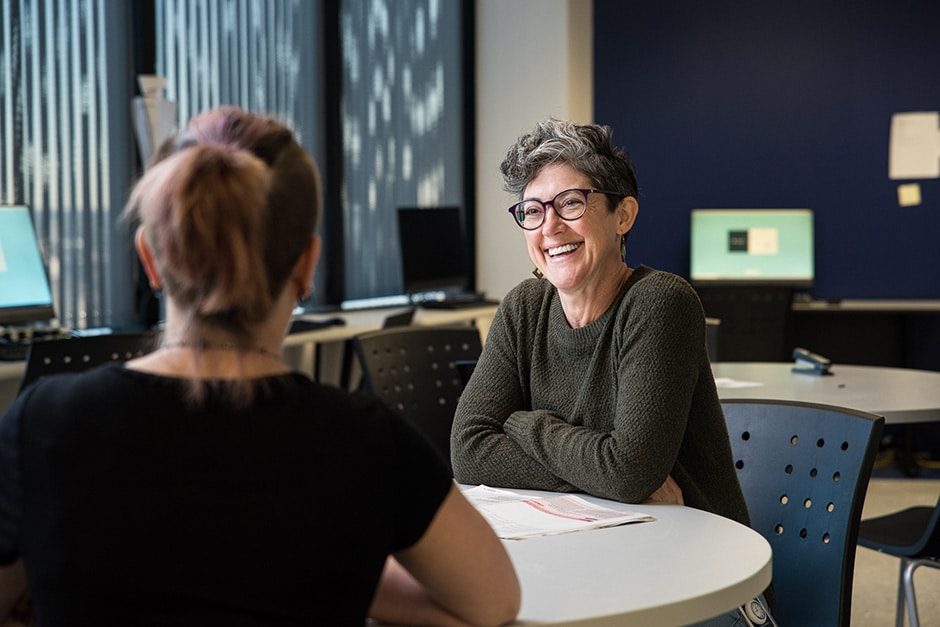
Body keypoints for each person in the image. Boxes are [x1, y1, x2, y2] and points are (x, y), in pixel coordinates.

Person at [0, 106, 519, 626]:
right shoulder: (367, 442)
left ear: (151, 259)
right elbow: (491, 603)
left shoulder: (43, 425)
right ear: (306, 265)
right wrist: (348, 571)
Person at [450, 118, 773, 625]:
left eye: (571, 204)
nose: (550, 228)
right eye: (532, 212)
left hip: (698, 586)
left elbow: (629, 469)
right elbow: (468, 449)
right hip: (589, 568)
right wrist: (604, 477)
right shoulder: (523, 308)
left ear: (622, 215)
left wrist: (522, 424)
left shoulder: (659, 303)